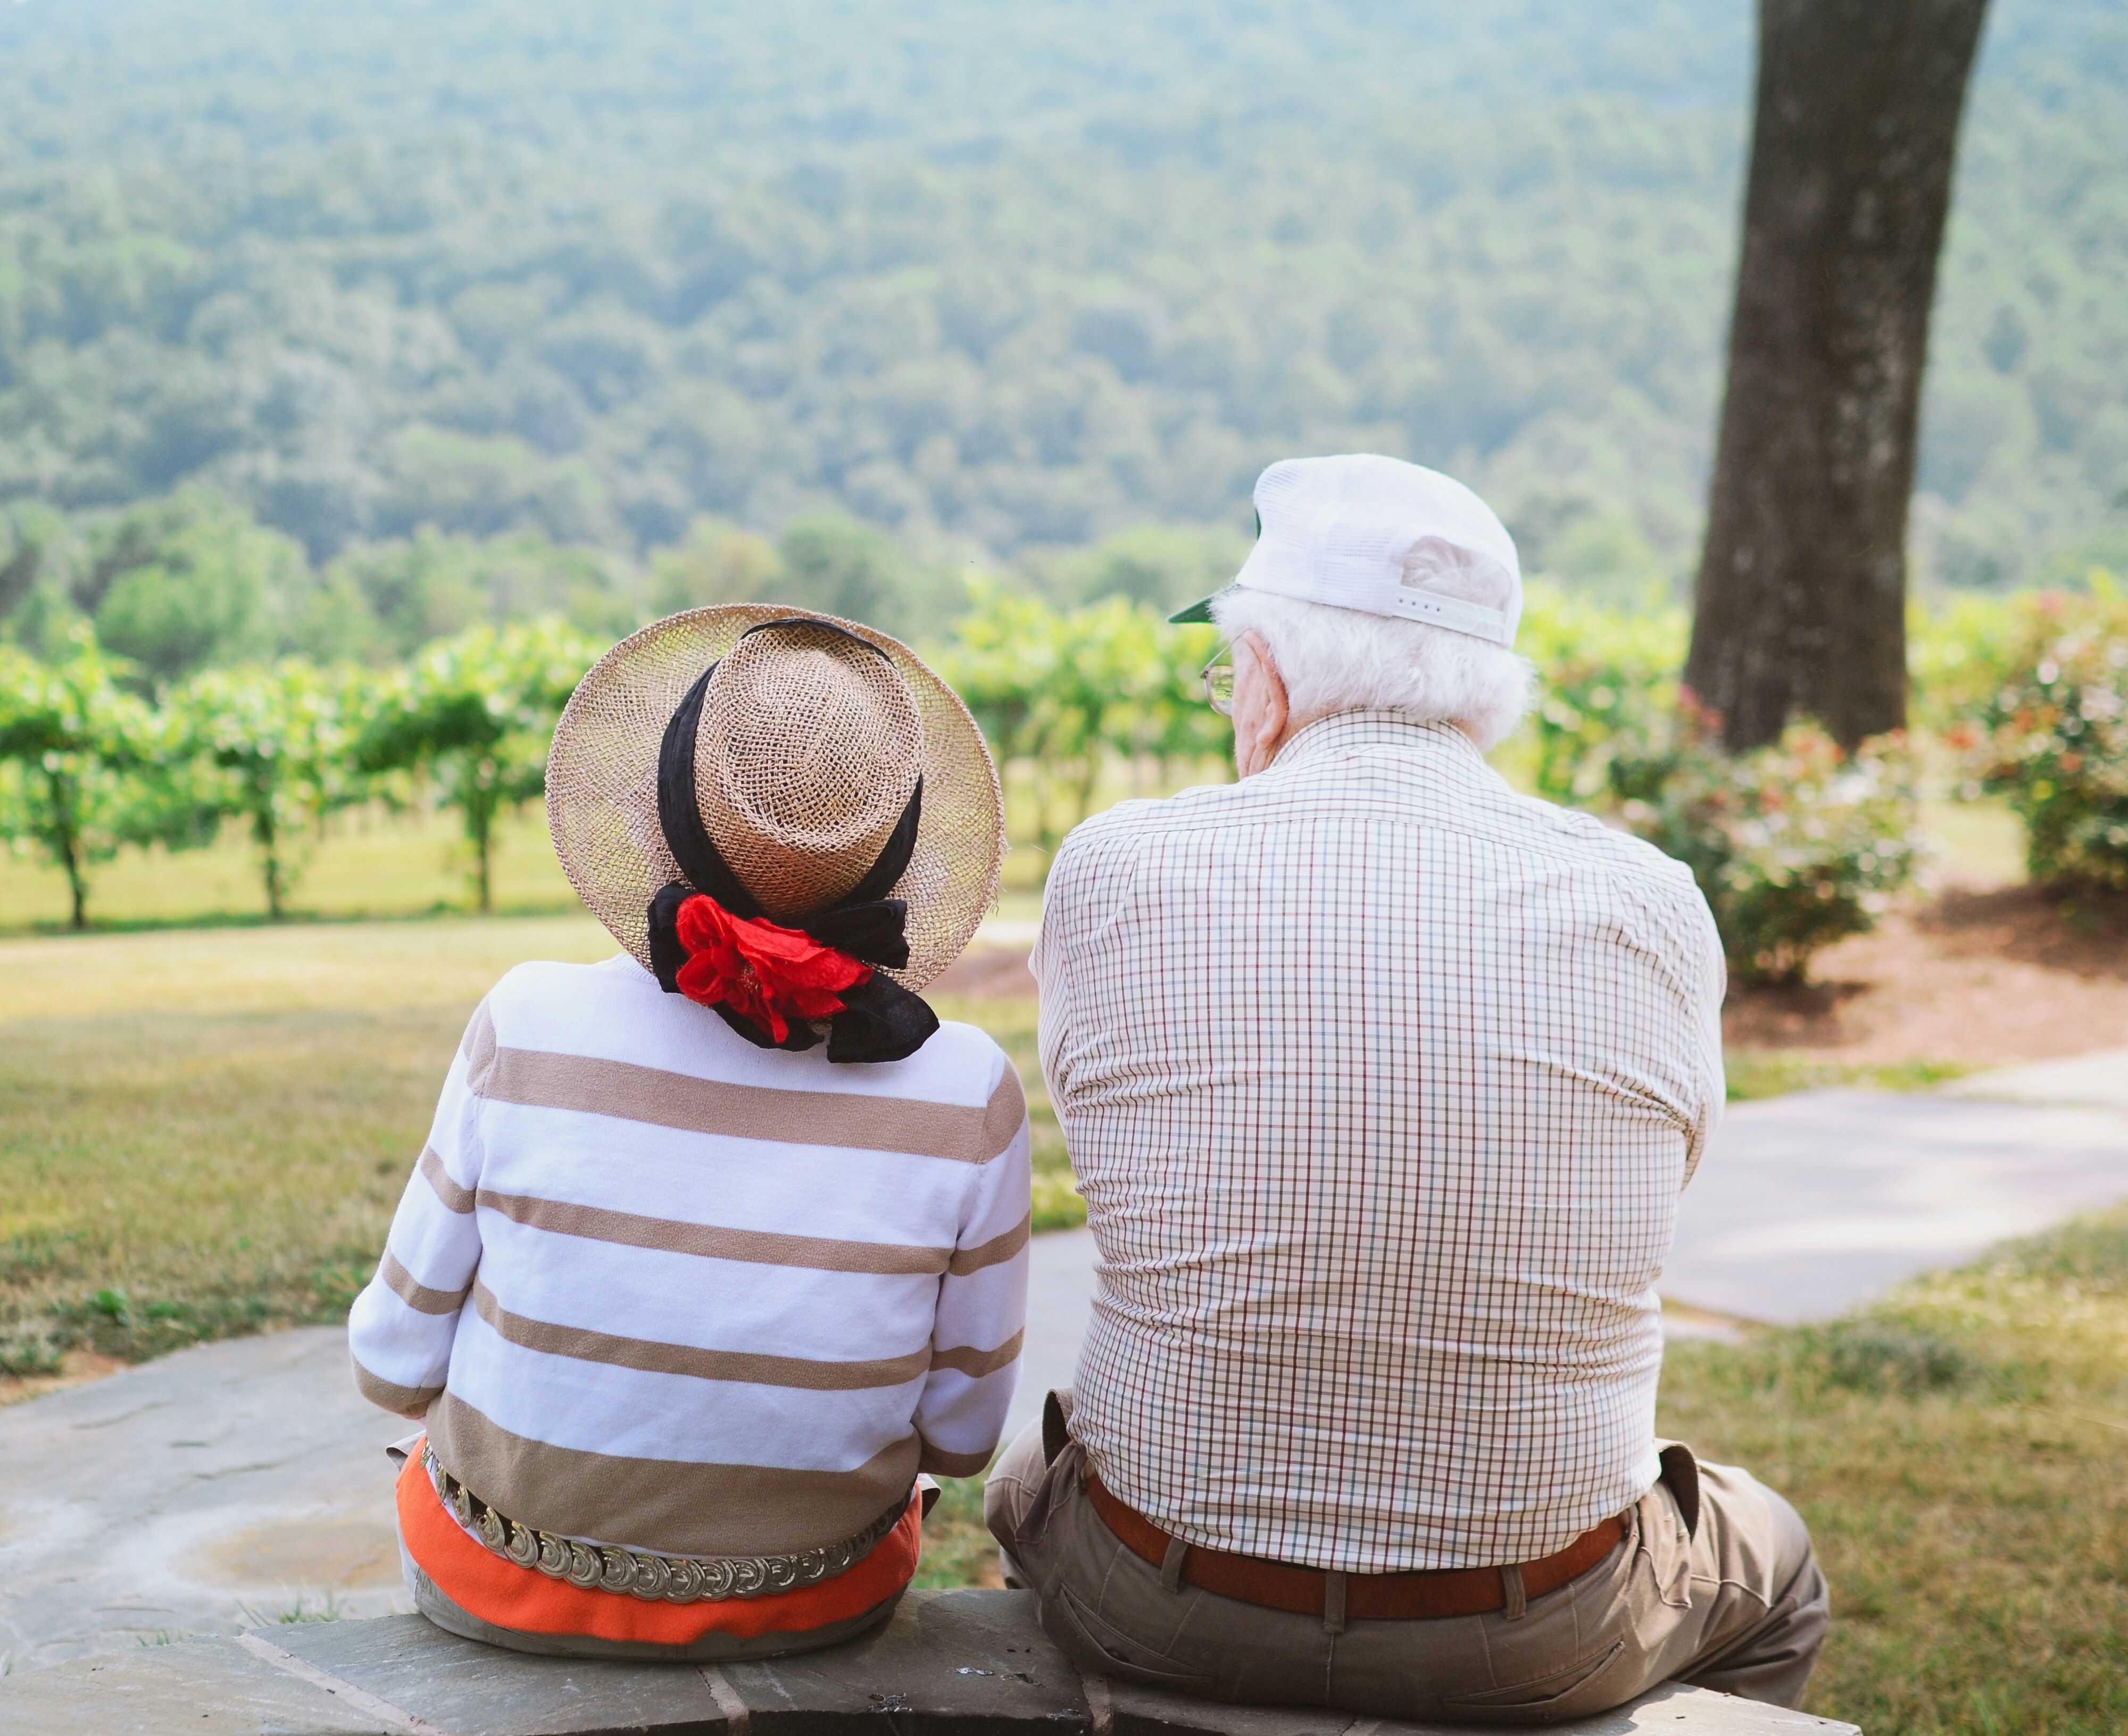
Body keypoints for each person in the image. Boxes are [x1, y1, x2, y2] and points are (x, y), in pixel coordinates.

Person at [987, 454, 1828, 1722]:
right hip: (1544, 1626)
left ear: (1265, 674)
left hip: (1155, 1597)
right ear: (1487, 694)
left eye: (1228, 669)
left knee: (1023, 1483)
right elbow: (1671, 1169)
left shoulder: (1118, 865)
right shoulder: (1650, 899)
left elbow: (1110, 1132)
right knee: (1781, 1566)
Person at [349, 607, 1032, 1661]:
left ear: (658, 812)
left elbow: (392, 1361)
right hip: (817, 1599)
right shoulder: (964, 1087)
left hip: (502, 1578)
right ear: (893, 854)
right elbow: (964, 1440)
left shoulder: (526, 1020)